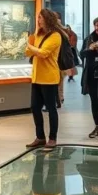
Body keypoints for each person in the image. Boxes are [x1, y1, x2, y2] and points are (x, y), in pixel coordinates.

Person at [25, 9, 64, 148]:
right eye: (38, 18)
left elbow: (44, 53)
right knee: (35, 108)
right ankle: (40, 137)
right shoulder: (38, 35)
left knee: (51, 109)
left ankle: (52, 138)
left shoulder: (55, 36)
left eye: (40, 18)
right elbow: (28, 52)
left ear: (47, 19)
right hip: (36, 77)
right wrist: (31, 47)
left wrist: (30, 46)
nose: (38, 20)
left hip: (49, 78)